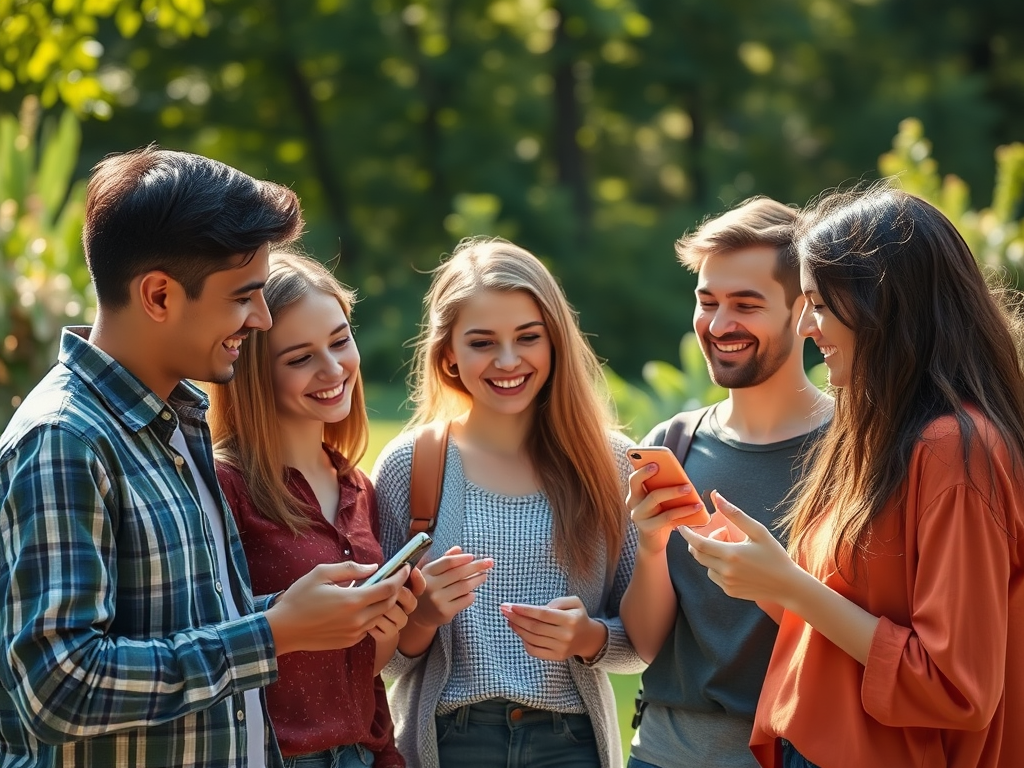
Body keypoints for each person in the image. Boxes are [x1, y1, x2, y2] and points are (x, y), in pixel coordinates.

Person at [0, 147, 408, 768]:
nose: (261, 317)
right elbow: (59, 688)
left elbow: (187, 625)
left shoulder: (176, 423)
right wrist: (273, 633)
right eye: (244, 297)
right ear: (159, 296)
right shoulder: (65, 440)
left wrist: (294, 610)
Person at [682, 185, 1024, 768]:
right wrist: (768, 577)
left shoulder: (953, 449)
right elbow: (851, 615)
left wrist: (792, 585)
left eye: (817, 303)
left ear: (881, 304)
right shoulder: (881, 430)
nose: (808, 326)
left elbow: (953, 686)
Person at [371, 237, 644, 768]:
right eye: (481, 342)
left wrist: (587, 636)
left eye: (528, 337)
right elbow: (382, 660)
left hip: (572, 744)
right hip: (449, 740)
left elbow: (640, 644)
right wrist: (423, 615)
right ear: (447, 353)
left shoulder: (608, 465)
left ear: (555, 341)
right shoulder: (410, 464)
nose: (508, 360)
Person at [619, 196, 832, 768]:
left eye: (745, 304)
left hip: (791, 751)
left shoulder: (852, 447)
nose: (718, 325)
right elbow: (643, 645)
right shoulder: (675, 443)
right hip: (661, 752)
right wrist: (651, 546)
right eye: (707, 301)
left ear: (803, 312)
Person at [208, 252, 420, 768]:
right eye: (300, 357)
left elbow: (365, 666)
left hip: (366, 753)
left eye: (340, 340)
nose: (333, 369)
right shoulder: (222, 486)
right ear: (256, 372)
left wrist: (389, 623)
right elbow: (212, 649)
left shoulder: (357, 486)